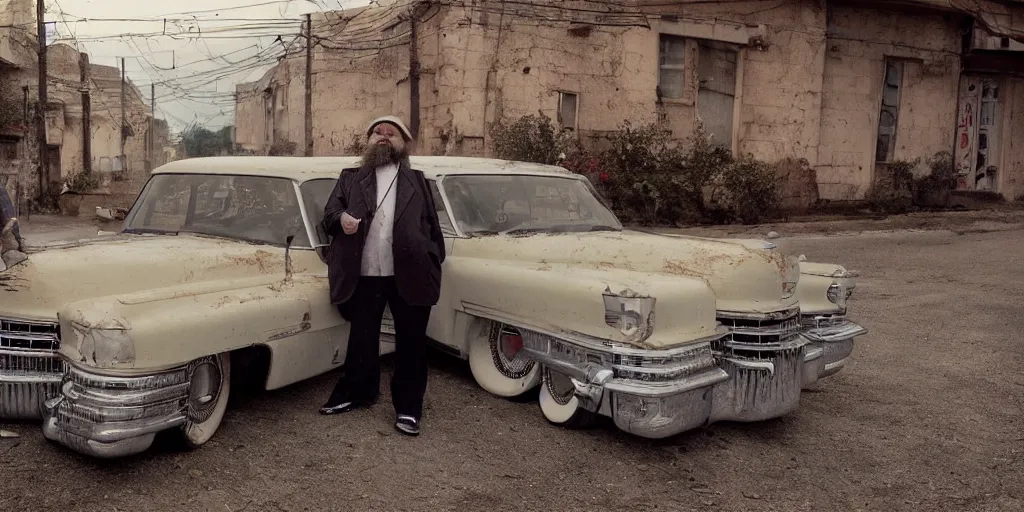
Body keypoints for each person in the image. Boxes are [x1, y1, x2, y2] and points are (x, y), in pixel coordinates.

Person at [319, 115, 446, 436]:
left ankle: (408, 408)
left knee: (412, 343)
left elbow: (432, 226)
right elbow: (329, 216)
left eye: (392, 133)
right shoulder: (350, 178)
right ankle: (357, 393)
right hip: (366, 272)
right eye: (378, 132)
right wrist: (342, 219)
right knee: (362, 337)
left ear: (403, 143)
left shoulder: (418, 180)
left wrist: (432, 258)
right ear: (369, 140)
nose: (384, 137)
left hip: (410, 271)